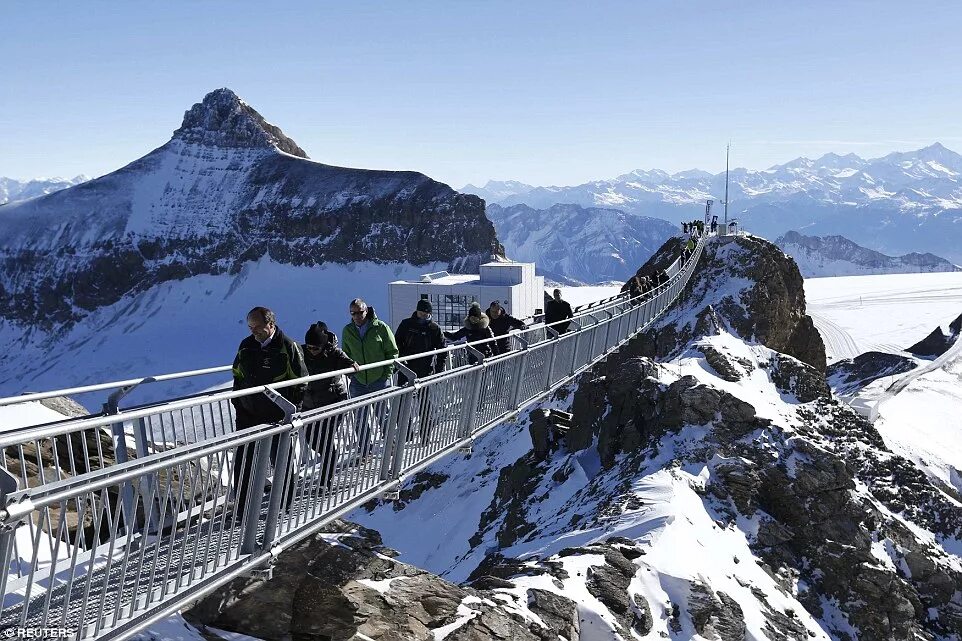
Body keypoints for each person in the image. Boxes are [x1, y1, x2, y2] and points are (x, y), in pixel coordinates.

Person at [230, 306, 308, 520]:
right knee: (244, 461)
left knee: (281, 459)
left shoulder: (287, 346)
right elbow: (237, 373)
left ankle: (286, 505)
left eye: (257, 327)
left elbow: (301, 380)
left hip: (277, 415)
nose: (253, 331)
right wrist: (238, 402)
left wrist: (292, 409)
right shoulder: (246, 346)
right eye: (250, 327)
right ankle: (242, 509)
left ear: (271, 324)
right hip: (247, 414)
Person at [301, 322, 359, 489]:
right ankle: (331, 456)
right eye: (309, 347)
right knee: (312, 440)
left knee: (325, 439)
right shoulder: (302, 352)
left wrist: (351, 365)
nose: (312, 350)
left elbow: (347, 362)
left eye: (315, 348)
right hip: (310, 404)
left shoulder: (333, 353)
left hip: (333, 401)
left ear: (323, 344)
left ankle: (326, 479)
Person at [342, 298, 399, 455]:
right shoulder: (348, 330)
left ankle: (390, 446)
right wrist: (350, 373)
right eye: (353, 313)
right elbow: (345, 354)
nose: (357, 316)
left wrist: (386, 375)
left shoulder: (380, 327)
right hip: (358, 381)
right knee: (360, 419)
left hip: (379, 379)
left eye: (360, 312)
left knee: (384, 416)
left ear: (366, 311)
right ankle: (365, 451)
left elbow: (392, 352)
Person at [394, 299, 446, 441]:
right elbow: (397, 343)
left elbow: (442, 350)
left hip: (424, 370)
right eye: (420, 313)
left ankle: (425, 434)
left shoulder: (434, 328)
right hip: (406, 368)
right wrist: (399, 361)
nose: (422, 316)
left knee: (424, 404)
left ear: (430, 314)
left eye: (425, 314)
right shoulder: (406, 324)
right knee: (403, 403)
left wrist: (439, 369)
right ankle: (407, 433)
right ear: (416, 311)